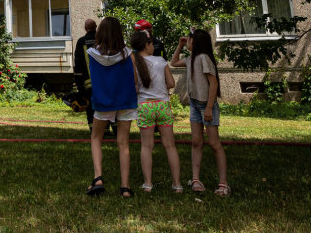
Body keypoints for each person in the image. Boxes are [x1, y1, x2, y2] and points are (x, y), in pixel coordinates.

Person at [170, 29, 230, 196]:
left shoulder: (204, 59)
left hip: (206, 105)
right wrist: (180, 45)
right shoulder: (190, 60)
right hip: (195, 105)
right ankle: (196, 180)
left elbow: (213, 83)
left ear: (194, 42)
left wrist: (209, 107)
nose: (186, 41)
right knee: (196, 141)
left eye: (188, 39)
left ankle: (223, 183)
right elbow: (173, 63)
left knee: (214, 143)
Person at [85, 17, 138, 198]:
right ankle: (125, 187)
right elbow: (135, 79)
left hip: (103, 102)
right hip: (125, 101)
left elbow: (93, 77)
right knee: (123, 143)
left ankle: (98, 178)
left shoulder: (92, 53)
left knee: (96, 138)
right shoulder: (128, 53)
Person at [130, 31, 182, 193]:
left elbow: (134, 85)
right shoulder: (160, 61)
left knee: (146, 146)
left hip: (145, 107)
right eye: (152, 43)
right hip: (163, 106)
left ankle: (148, 184)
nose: (154, 46)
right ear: (146, 45)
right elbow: (171, 83)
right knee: (170, 145)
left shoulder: (134, 61)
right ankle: (177, 184)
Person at [68, 18, 98, 122]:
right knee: (106, 105)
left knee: (89, 105)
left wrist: (79, 83)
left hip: (88, 82)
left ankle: (92, 128)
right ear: (96, 27)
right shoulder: (103, 40)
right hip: (105, 82)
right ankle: (109, 128)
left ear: (85, 28)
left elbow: (78, 62)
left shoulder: (81, 41)